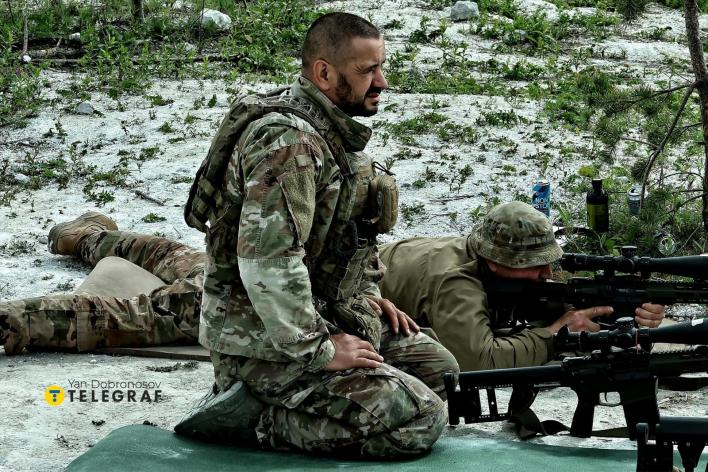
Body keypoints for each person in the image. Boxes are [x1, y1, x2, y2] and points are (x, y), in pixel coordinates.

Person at [180, 12, 457, 458]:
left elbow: (347, 238)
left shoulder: (329, 129)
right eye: (367, 71)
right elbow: (269, 263)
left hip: (319, 315)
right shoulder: (287, 144)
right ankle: (252, 419)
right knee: (419, 419)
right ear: (324, 73)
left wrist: (364, 297)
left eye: (381, 67)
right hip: (263, 344)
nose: (382, 82)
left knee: (440, 371)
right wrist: (321, 349)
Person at [378, 201, 666, 372]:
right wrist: (554, 335)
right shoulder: (456, 282)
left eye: (549, 262)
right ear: (497, 261)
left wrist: (623, 314)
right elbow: (478, 362)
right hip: (360, 311)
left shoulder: (490, 262)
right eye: (535, 264)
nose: (547, 273)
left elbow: (558, 306)